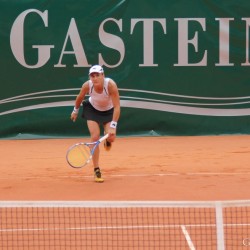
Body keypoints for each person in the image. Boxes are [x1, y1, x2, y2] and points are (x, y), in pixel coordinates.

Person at [70, 65, 120, 183]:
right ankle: (96, 169)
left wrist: (113, 126)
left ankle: (107, 139)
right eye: (92, 76)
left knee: (112, 138)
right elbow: (79, 97)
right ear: (90, 77)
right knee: (95, 137)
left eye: (97, 75)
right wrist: (75, 111)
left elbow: (117, 106)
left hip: (109, 111)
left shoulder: (111, 85)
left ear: (103, 75)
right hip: (92, 109)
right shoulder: (87, 85)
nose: (95, 78)